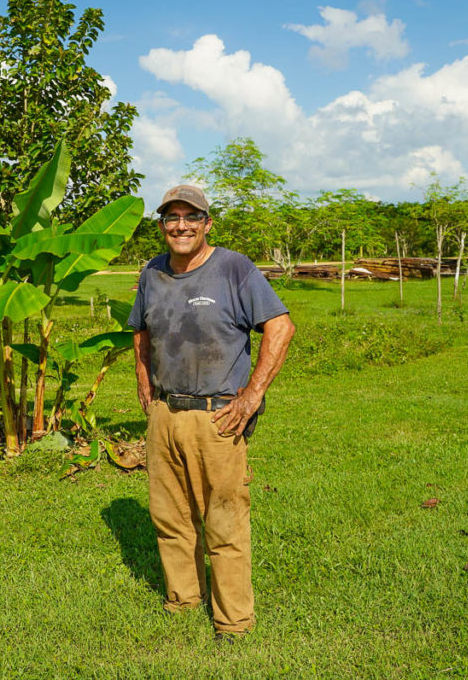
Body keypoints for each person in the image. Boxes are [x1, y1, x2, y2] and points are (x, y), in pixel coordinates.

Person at [127, 185, 295, 643]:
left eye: (190, 217)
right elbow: (140, 332)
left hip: (216, 416)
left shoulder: (234, 268)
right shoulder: (152, 273)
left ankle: (232, 622)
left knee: (223, 521)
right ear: (162, 225)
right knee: (170, 517)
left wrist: (251, 396)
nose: (180, 226)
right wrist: (144, 382)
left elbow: (280, 327)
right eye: (171, 218)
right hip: (164, 414)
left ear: (207, 223)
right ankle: (182, 600)